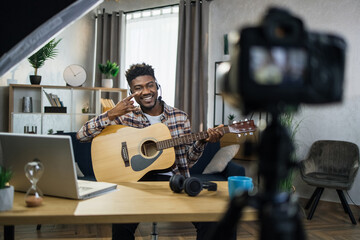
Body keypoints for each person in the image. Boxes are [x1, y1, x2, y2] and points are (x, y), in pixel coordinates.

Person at [77, 63, 234, 240]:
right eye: (138, 88)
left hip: (173, 183)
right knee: (121, 229)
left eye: (149, 85)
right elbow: (82, 135)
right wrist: (111, 113)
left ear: (157, 85)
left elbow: (187, 161)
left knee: (212, 221)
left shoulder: (180, 117)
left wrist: (202, 142)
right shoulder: (124, 117)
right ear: (131, 92)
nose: (145, 91)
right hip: (134, 184)